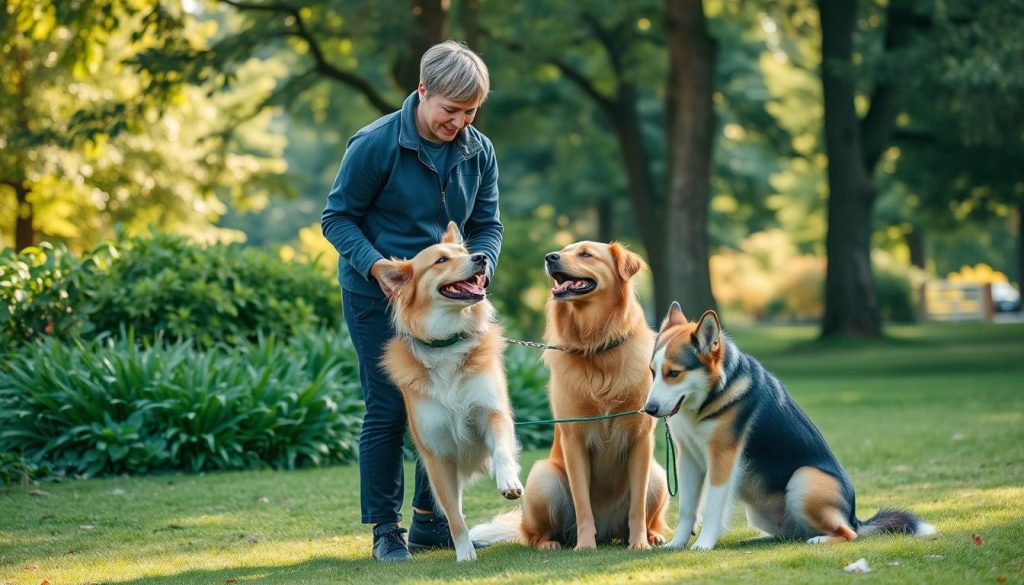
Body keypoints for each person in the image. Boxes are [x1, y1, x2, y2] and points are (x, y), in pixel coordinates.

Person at [321, 40, 502, 562]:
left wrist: (482, 262)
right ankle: (385, 529)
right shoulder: (376, 143)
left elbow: (487, 224)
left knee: (447, 404)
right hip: (375, 295)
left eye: (471, 112)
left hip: (448, 300)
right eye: (451, 110)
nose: (460, 123)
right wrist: (376, 265)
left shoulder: (479, 149)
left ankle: (430, 522)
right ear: (423, 91)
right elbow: (337, 218)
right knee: (387, 408)